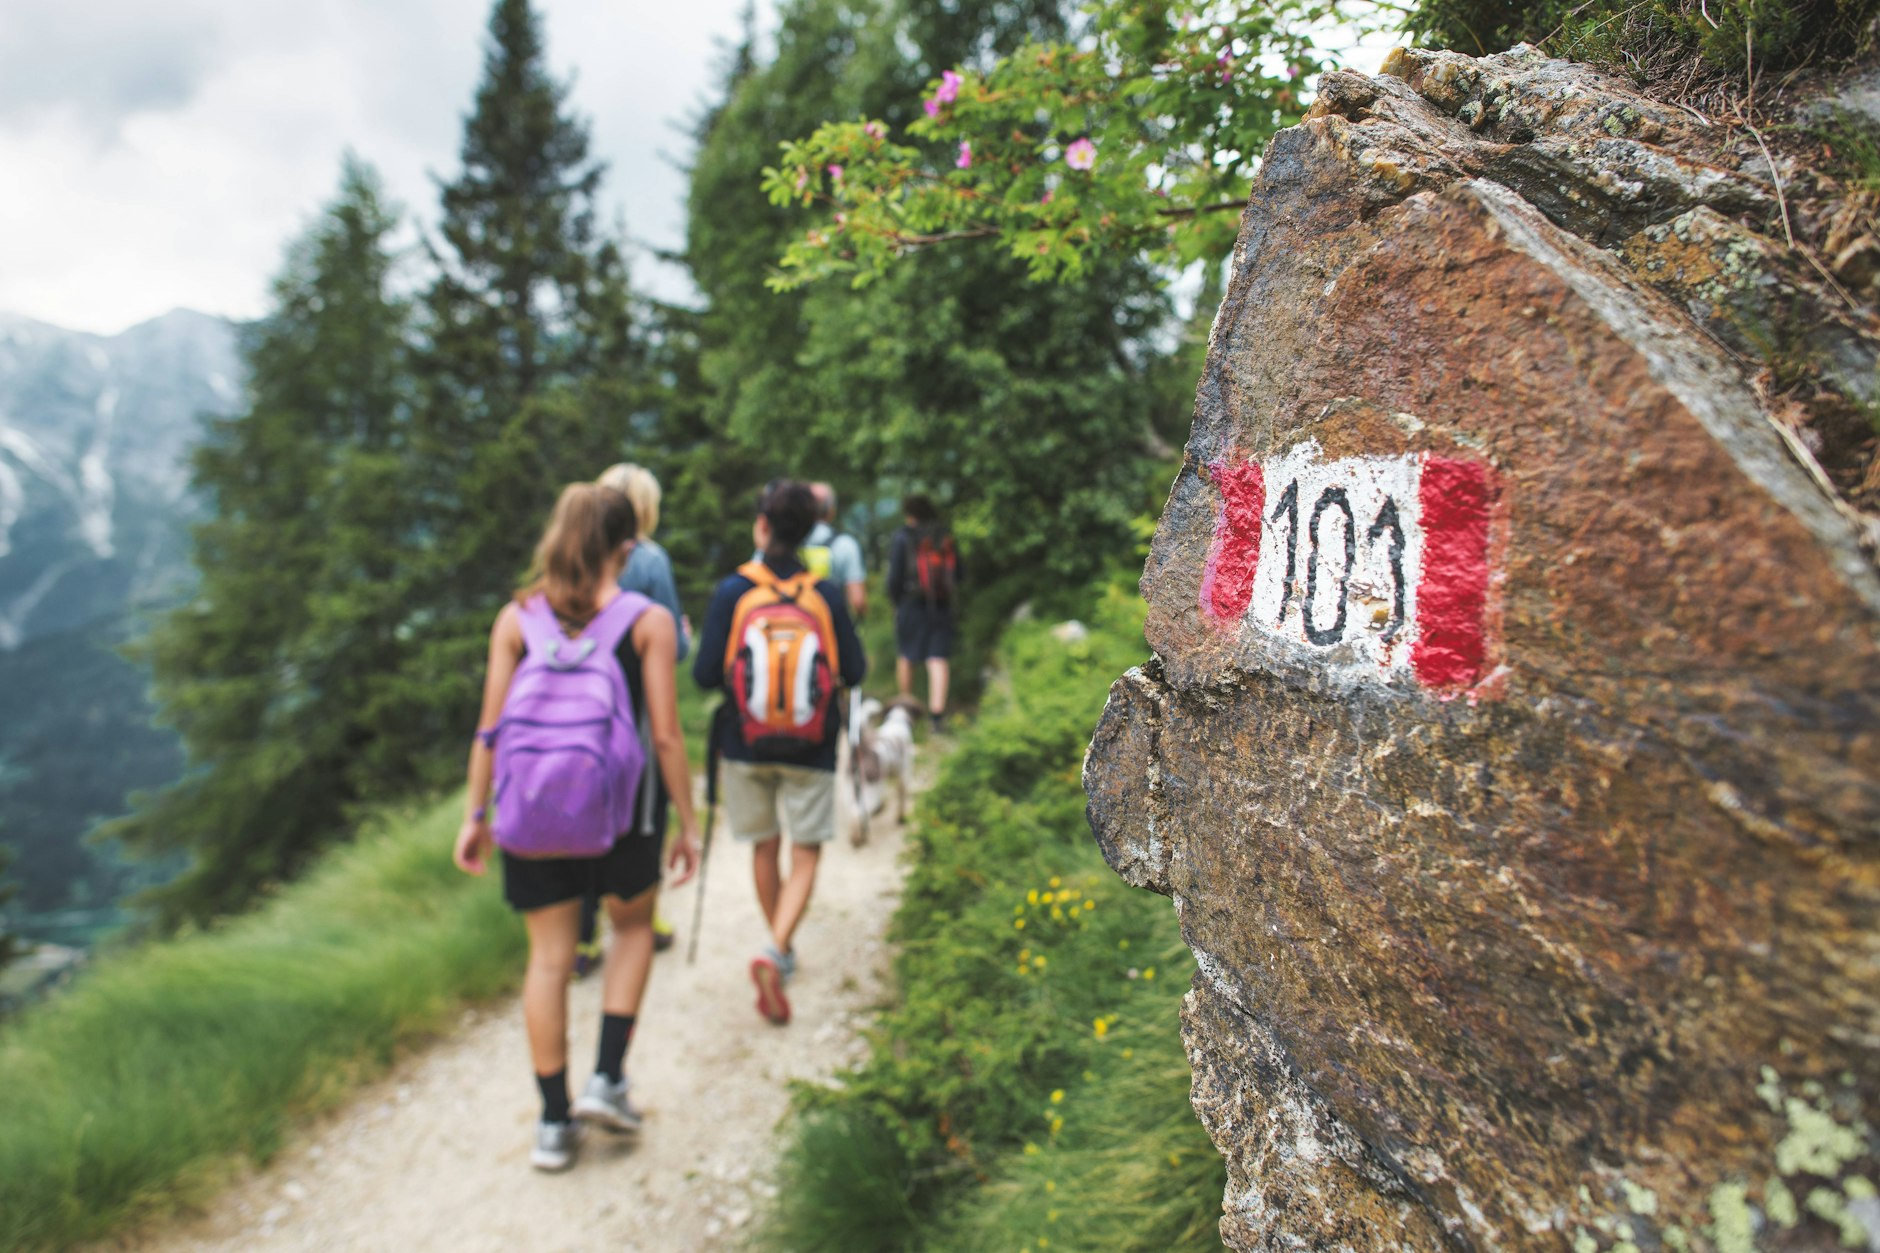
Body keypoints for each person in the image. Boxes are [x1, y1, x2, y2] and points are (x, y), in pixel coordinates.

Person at [454, 483, 702, 1173]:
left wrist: (477, 817)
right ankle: (607, 1079)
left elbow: (490, 728)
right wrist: (688, 821)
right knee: (630, 928)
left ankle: (555, 1122)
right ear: (627, 545)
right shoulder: (645, 620)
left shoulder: (516, 618)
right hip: (624, 813)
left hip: (530, 816)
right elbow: (668, 736)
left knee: (550, 960)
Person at [693, 480, 865, 1025]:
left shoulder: (732, 591)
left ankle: (780, 949)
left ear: (762, 526)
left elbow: (703, 675)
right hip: (811, 745)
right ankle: (776, 948)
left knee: (763, 847)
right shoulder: (826, 594)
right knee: (806, 850)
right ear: (812, 529)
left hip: (744, 742)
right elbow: (855, 672)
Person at [572, 463, 689, 971]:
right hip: (636, 712)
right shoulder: (650, 560)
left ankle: (582, 938)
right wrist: (682, 633)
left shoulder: (574, 556)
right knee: (639, 819)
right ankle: (644, 915)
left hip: (578, 713)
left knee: (582, 818)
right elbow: (672, 648)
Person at [887, 494, 962, 731]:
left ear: (909, 514)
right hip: (940, 604)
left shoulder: (904, 537)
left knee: (907, 655)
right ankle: (937, 716)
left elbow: (894, 577)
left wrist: (896, 601)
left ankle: (905, 710)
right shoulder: (943, 536)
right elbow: (959, 573)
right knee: (937, 657)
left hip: (911, 602)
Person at [802, 481, 867, 619]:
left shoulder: (786, 543)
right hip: (831, 630)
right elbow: (858, 601)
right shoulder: (846, 545)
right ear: (831, 511)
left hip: (796, 631)